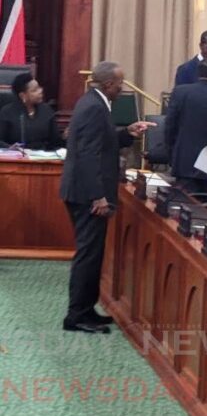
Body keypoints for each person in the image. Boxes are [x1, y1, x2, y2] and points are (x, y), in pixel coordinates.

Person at [58, 61, 154, 333]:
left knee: (93, 253)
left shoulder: (92, 102)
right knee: (88, 255)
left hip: (83, 192)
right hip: (86, 195)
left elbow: (101, 140)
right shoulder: (94, 107)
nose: (122, 89)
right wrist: (97, 196)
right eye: (120, 84)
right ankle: (76, 316)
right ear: (109, 84)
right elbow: (89, 155)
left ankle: (87, 309)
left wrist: (127, 133)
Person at [164, 58, 207, 195]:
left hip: (184, 162)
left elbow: (169, 128)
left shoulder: (180, 92)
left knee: (183, 208)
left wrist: (172, 155)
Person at [0, 73, 62, 149]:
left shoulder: (47, 110)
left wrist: (65, 137)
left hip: (43, 157)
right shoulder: (7, 112)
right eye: (35, 90)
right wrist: (9, 147)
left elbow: (55, 141)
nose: (40, 91)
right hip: (16, 157)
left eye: (39, 87)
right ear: (22, 95)